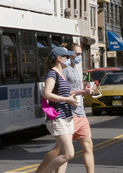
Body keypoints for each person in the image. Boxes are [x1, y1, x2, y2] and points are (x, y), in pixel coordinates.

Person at [38, 43, 95, 173]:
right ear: (59, 58)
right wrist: (67, 100)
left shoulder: (61, 74)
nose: (69, 59)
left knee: (64, 153)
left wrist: (80, 92)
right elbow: (46, 94)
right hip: (58, 117)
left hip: (67, 116)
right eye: (66, 57)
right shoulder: (53, 74)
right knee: (68, 154)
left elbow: (65, 93)